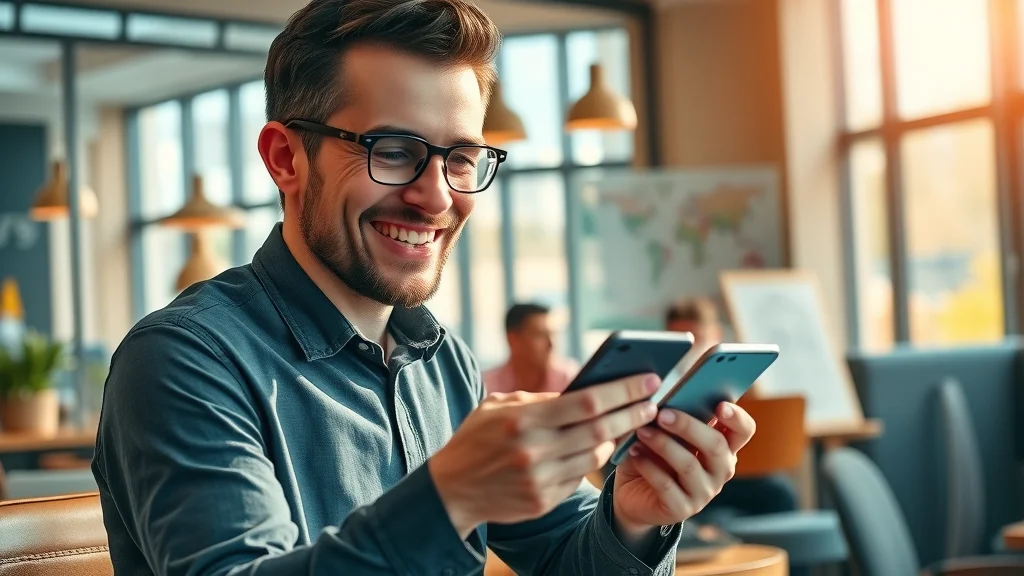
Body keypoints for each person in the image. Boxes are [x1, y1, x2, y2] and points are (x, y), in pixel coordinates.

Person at [91, 2, 758, 574]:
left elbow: (567, 557)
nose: (436, 195)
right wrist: (449, 497)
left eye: (461, 158)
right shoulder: (182, 360)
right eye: (392, 149)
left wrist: (633, 517)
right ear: (286, 158)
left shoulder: (444, 363)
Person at [664, 297, 800, 517]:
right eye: (679, 339)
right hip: (679, 471)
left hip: (735, 472)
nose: (689, 348)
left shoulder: (740, 383)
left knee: (781, 493)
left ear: (715, 335)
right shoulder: (660, 382)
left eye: (696, 338)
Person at [483, 303, 580, 394]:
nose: (551, 344)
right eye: (540, 335)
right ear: (513, 340)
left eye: (553, 334)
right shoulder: (486, 388)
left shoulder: (571, 379)